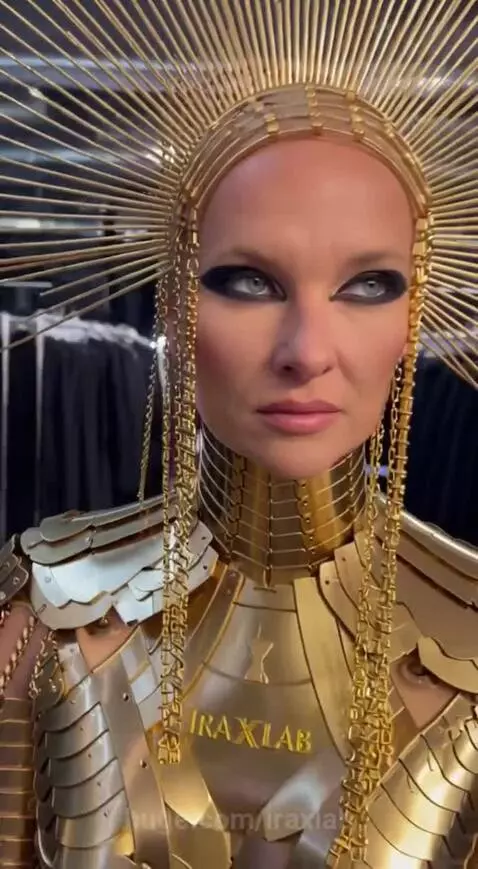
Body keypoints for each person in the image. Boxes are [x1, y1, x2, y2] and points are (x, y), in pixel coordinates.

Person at [0, 1, 476, 867]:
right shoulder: (51, 604)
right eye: (249, 282)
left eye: (368, 285)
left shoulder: (469, 645)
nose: (307, 351)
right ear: (174, 301)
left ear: (415, 315)